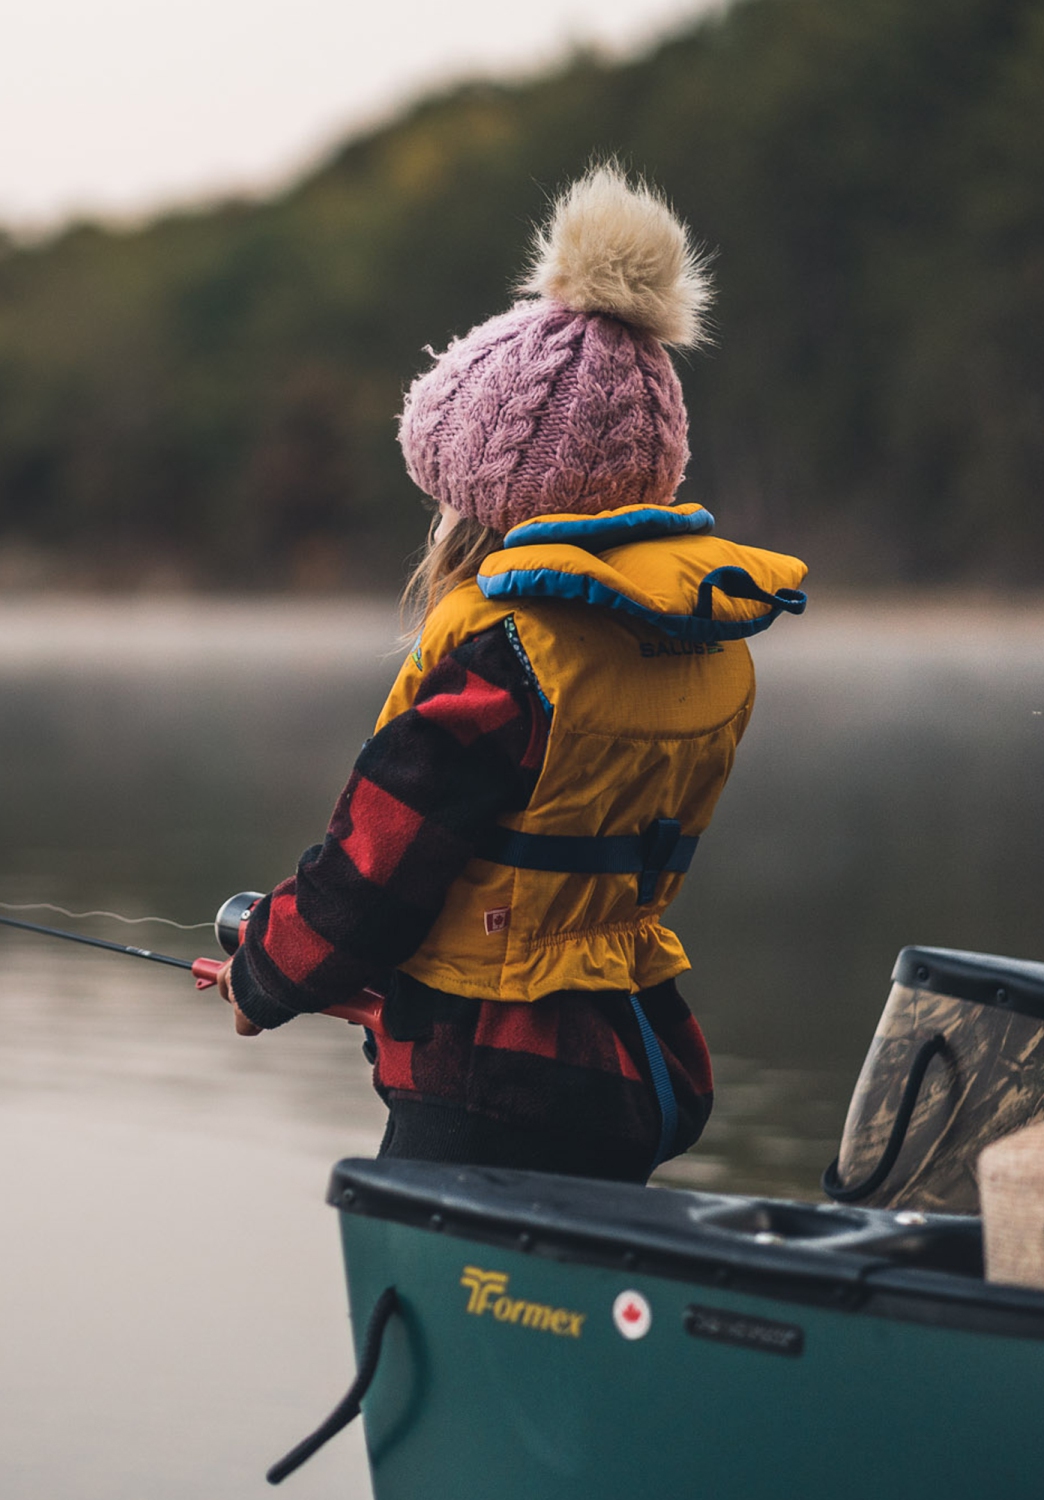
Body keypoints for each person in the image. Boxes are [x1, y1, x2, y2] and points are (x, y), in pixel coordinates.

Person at [216, 164, 807, 1183]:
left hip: (490, 1086)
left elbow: (376, 871)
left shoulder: (507, 657)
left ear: (481, 506)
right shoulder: (690, 640)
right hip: (632, 1063)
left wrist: (264, 972)